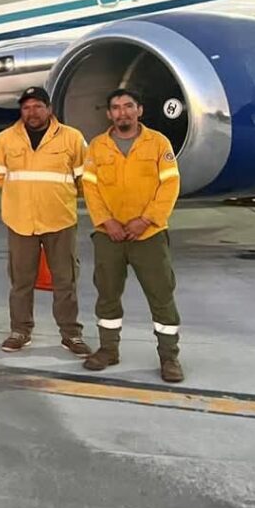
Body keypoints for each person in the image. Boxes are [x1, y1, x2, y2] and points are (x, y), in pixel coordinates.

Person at [80, 89, 184, 382]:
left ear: (139, 110)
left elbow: (170, 187)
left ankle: (169, 358)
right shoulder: (98, 147)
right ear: (109, 113)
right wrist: (106, 222)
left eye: (128, 106)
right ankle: (108, 350)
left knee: (161, 296)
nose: (122, 112)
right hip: (108, 236)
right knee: (107, 295)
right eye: (116, 107)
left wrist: (146, 220)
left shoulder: (158, 143)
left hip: (148, 235)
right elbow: (91, 188)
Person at [0, 86, 93, 357]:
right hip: (21, 220)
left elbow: (85, 179)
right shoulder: (6, 139)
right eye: (26, 107)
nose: (32, 112)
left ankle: (71, 333)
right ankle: (20, 331)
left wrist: (56, 197)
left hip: (59, 220)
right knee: (21, 281)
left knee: (65, 280)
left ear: (49, 109)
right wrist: (24, 197)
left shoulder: (72, 138)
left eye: (37, 106)